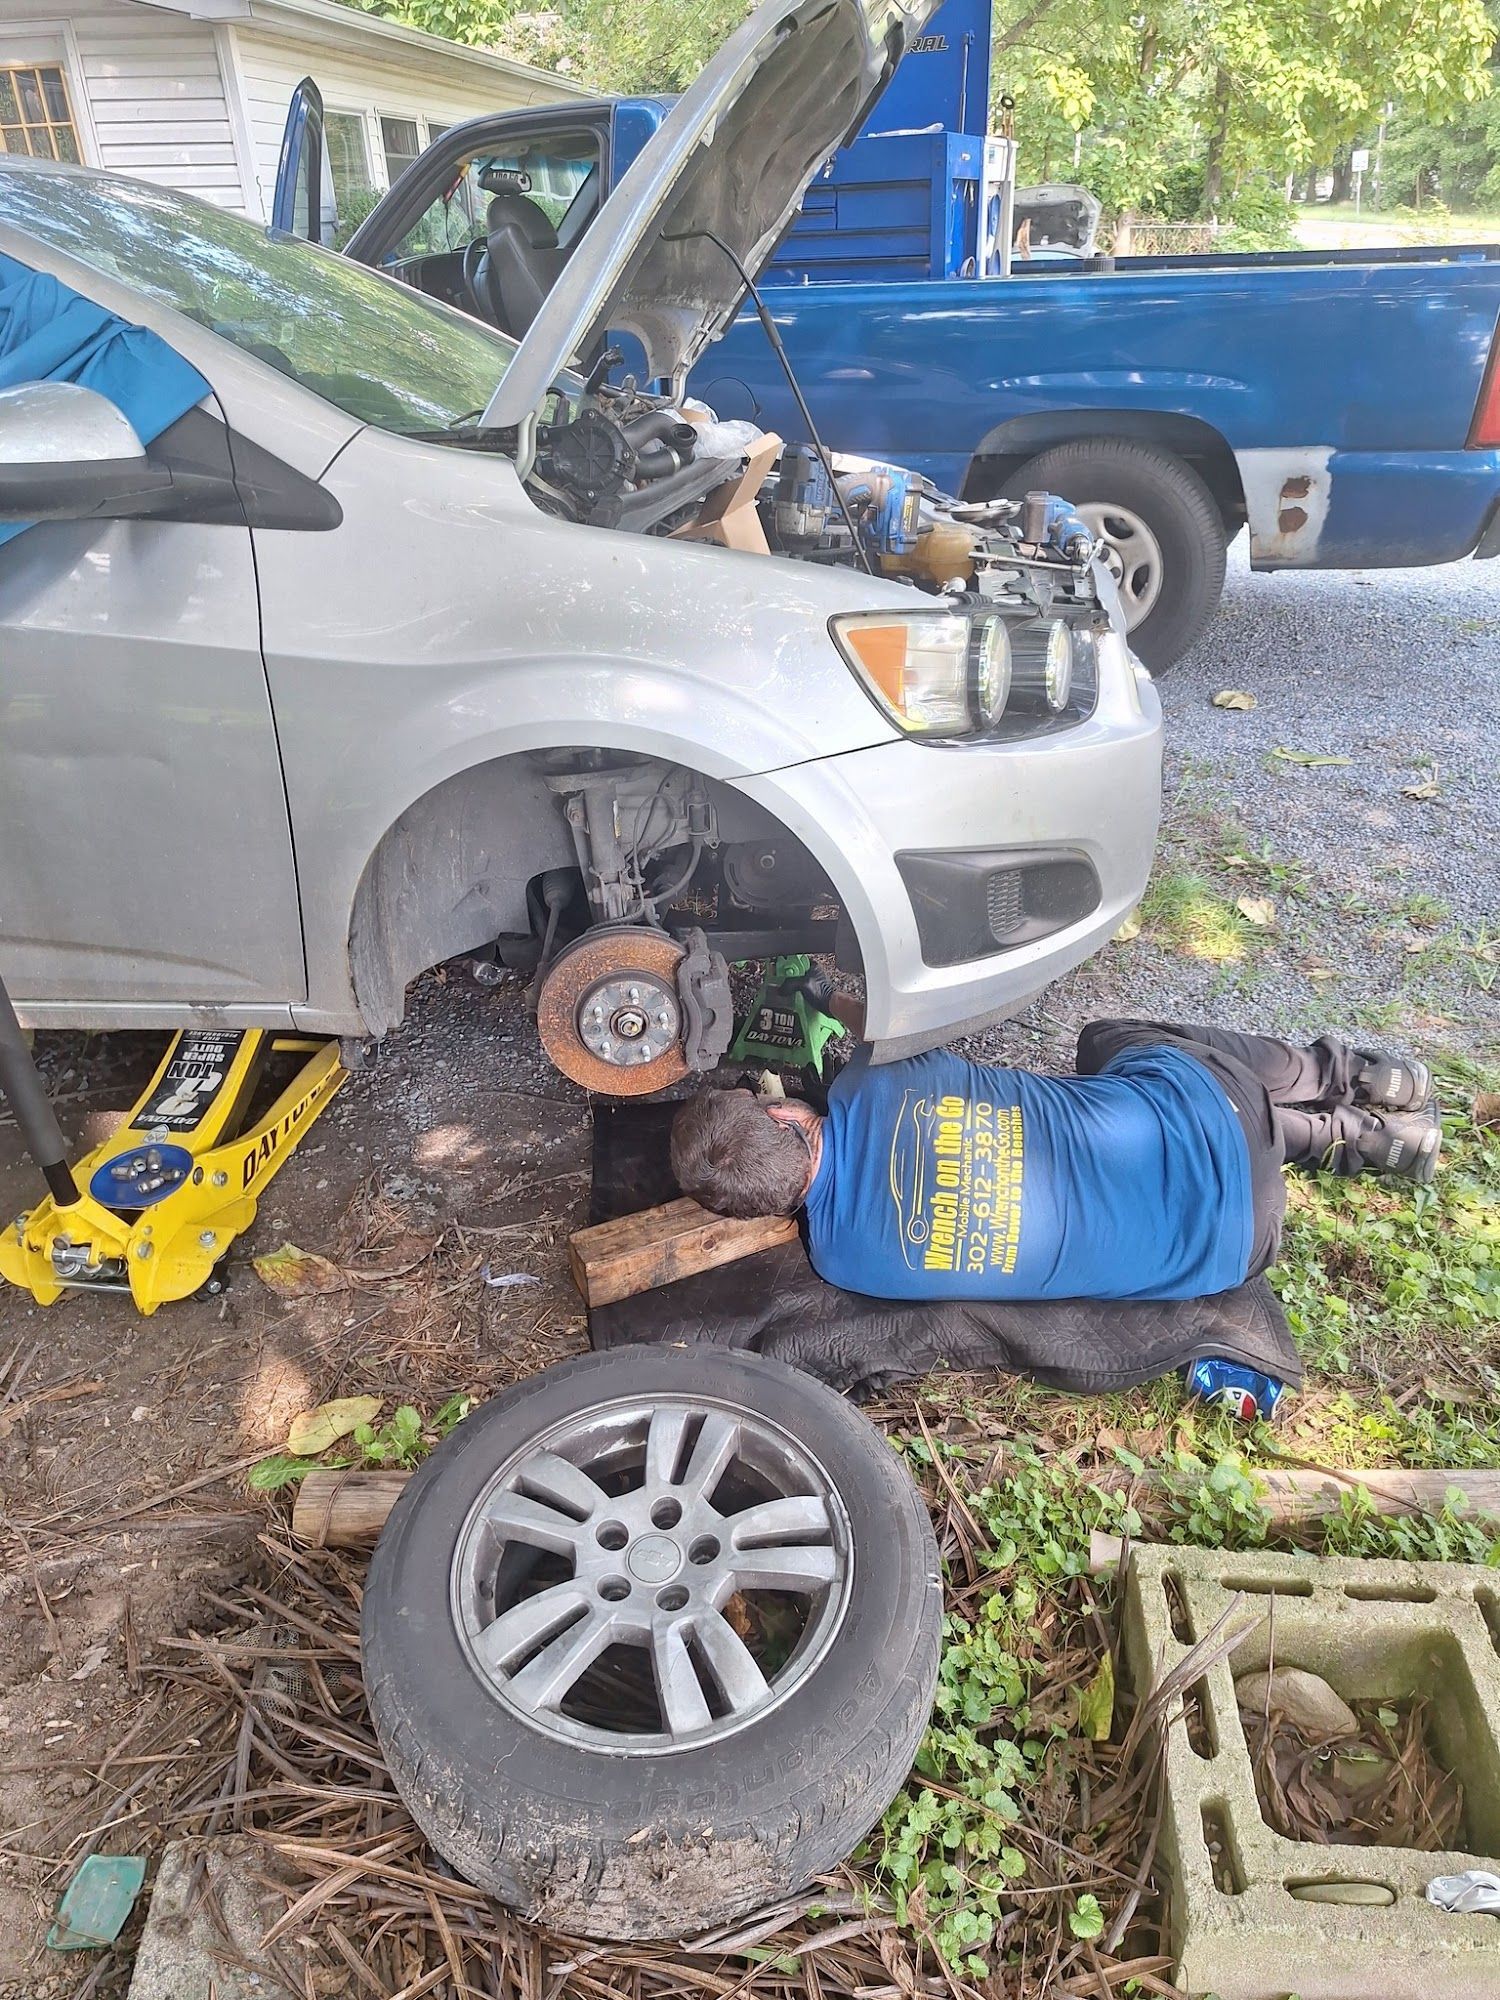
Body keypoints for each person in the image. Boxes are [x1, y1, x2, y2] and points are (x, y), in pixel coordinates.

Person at [668, 1021, 1439, 1303]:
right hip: (1216, 1109)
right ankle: (1341, 1075)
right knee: (1110, 1041)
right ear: (779, 1111)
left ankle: (1355, 1141)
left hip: (1232, 1249)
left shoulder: (843, 1261)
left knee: (1204, 1121)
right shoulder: (878, 1080)